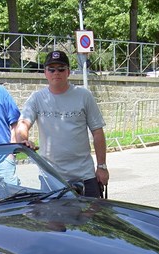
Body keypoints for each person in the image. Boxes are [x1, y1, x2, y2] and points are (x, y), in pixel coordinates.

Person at [16, 50, 109, 197]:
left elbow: (97, 132)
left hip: (84, 175)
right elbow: (23, 123)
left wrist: (102, 166)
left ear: (68, 72)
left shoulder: (84, 96)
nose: (56, 73)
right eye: (51, 69)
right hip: (51, 177)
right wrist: (24, 140)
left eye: (61, 69)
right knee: (54, 220)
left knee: (91, 219)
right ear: (45, 72)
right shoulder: (37, 98)